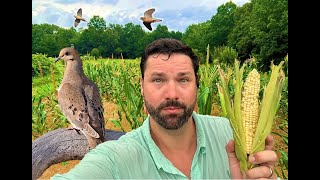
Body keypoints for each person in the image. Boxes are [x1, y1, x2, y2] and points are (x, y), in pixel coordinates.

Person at [51, 38, 279, 179]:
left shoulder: (231, 134)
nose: (171, 94)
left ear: (197, 85)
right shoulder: (115, 158)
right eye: (158, 80)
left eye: (183, 80)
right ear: (141, 87)